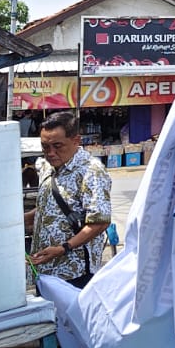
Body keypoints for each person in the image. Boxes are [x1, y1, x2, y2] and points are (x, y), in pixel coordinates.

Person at [27, 111, 112, 290]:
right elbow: (51, 207)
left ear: (76, 141)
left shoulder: (91, 171)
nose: (50, 153)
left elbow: (99, 222)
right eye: (45, 147)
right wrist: (25, 218)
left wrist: (63, 248)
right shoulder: (48, 167)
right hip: (44, 269)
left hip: (74, 272)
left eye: (57, 146)